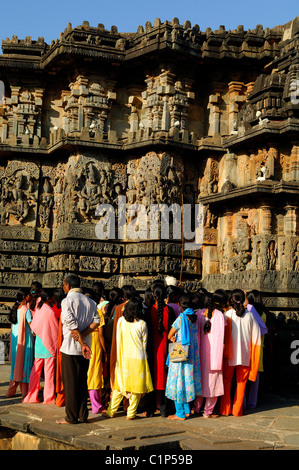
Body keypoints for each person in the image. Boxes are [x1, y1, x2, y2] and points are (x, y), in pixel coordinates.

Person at [56, 273, 101, 424]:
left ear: (67, 285)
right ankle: (82, 414)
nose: (63, 287)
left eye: (63, 285)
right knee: (82, 382)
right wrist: (84, 337)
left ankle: (71, 416)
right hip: (85, 349)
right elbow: (96, 322)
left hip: (71, 348)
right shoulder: (90, 302)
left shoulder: (67, 301)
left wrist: (81, 341)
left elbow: (72, 325)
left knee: (70, 384)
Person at [103, 297, 153, 420]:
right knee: (136, 388)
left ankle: (111, 411)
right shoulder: (142, 324)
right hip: (138, 358)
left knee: (119, 386)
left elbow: (118, 339)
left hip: (123, 357)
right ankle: (131, 413)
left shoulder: (121, 321)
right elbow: (144, 344)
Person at [220, 289, 261, 417]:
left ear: (231, 300)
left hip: (229, 355)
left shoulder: (227, 315)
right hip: (245, 355)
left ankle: (225, 410)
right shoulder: (250, 316)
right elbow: (257, 337)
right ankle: (237, 410)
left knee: (226, 382)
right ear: (243, 300)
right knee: (241, 384)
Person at [165, 292, 202, 420]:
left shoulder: (180, 318)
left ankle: (179, 413)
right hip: (191, 356)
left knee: (178, 383)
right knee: (186, 382)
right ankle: (187, 410)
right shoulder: (195, 318)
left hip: (180, 355)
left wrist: (173, 338)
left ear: (180, 305)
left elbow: (170, 335)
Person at [23, 288, 59, 404]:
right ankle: (48, 397)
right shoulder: (49, 311)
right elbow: (54, 330)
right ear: (49, 298)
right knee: (49, 372)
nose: (54, 299)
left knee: (35, 371)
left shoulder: (39, 308)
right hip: (48, 344)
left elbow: (34, 326)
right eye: (53, 297)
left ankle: (32, 396)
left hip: (39, 343)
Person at [193, 291, 225, 417]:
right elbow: (222, 335)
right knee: (213, 385)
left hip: (199, 355)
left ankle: (196, 408)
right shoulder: (219, 315)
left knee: (200, 383)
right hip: (214, 356)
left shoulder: (198, 314)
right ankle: (208, 411)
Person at [147, 284, 176, 417]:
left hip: (153, 347)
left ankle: (151, 409)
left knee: (152, 377)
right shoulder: (169, 310)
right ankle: (165, 409)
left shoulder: (149, 310)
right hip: (166, 347)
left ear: (153, 296)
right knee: (166, 377)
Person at [6, 289, 34, 399]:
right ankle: (24, 393)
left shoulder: (15, 309)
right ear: (24, 297)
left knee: (15, 367)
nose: (31, 297)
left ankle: (10, 391)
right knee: (25, 367)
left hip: (15, 344)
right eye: (29, 295)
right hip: (25, 343)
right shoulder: (26, 310)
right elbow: (33, 327)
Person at [110, 285, 137, 391]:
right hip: (132, 344)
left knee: (119, 369)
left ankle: (117, 392)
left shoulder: (118, 308)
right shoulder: (136, 307)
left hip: (119, 342)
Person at [244, 290, 268, 409]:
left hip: (247, 345)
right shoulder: (263, 314)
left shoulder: (248, 312)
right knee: (255, 377)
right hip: (259, 346)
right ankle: (252, 402)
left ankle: (243, 402)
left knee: (243, 377)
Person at [87, 299, 108, 414]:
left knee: (89, 372)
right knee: (94, 373)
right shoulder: (98, 313)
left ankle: (95, 402)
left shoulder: (84, 311)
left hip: (85, 342)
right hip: (95, 344)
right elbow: (101, 335)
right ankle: (96, 405)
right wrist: (105, 351)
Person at [53, 288, 66, 408]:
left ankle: (58, 397)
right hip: (62, 342)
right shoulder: (63, 309)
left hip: (58, 342)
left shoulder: (53, 308)